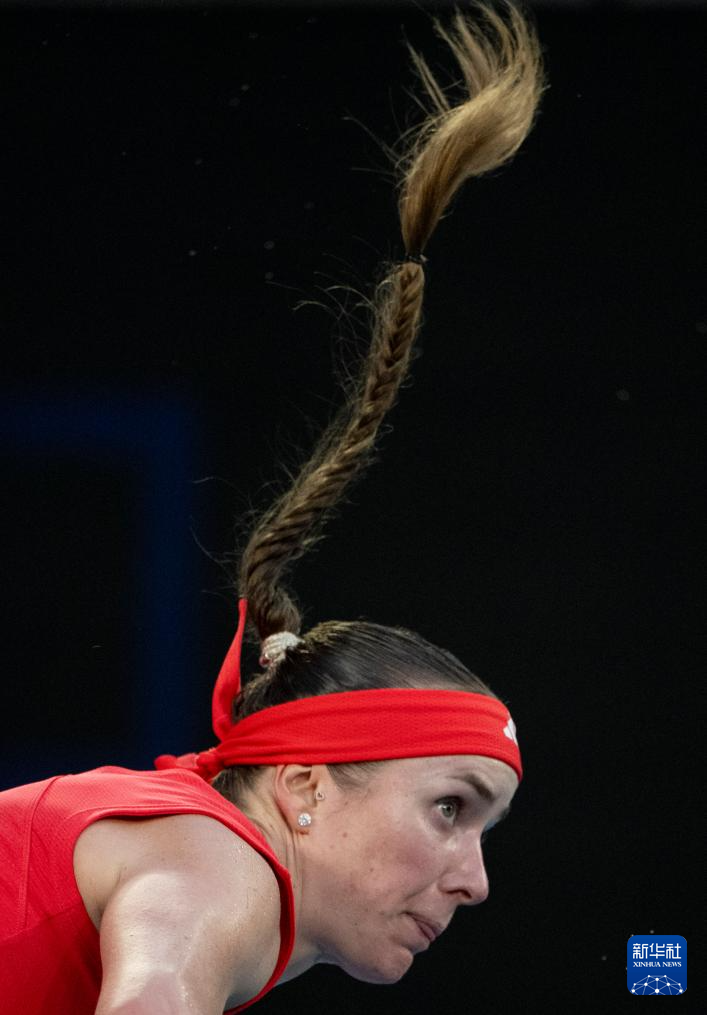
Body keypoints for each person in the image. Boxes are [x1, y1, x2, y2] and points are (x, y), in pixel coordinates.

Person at [0, 5, 543, 1013]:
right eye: (447, 808)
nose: (473, 879)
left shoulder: (195, 849)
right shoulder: (221, 869)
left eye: (481, 826)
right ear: (301, 786)